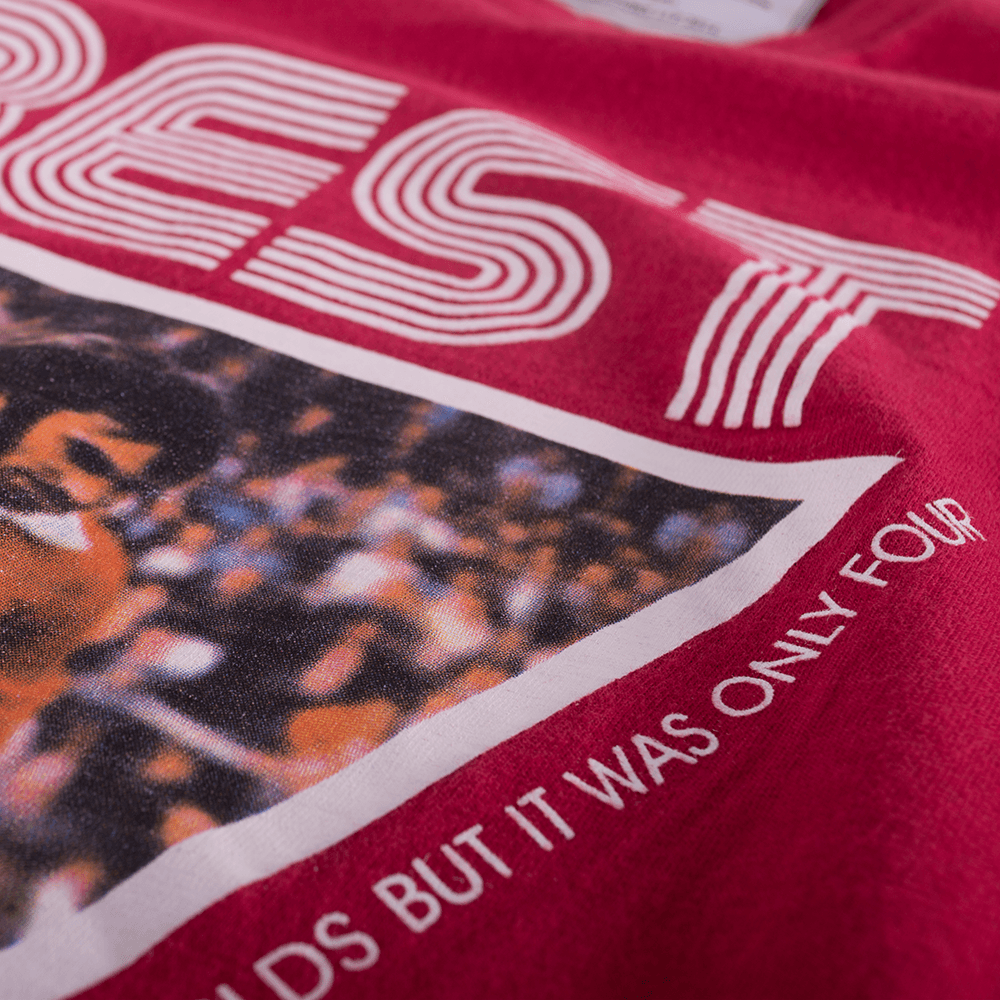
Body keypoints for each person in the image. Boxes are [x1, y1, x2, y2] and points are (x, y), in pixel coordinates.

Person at [0, 344, 225, 750]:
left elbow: (9, 697)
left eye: (123, 488)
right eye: (84, 455)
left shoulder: (91, 571)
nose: (81, 492)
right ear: (26, 404)